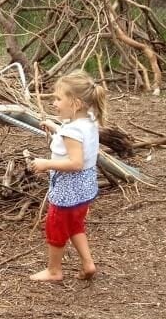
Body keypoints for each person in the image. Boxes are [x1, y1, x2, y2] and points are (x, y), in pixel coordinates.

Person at [28, 70, 107, 282]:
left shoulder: (71, 131)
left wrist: (46, 164)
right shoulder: (89, 121)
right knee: (75, 225)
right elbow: (74, 137)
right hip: (84, 190)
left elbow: (75, 162)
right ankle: (88, 263)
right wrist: (56, 128)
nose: (54, 103)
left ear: (76, 103)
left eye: (58, 98)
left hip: (67, 190)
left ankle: (54, 270)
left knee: (55, 227)